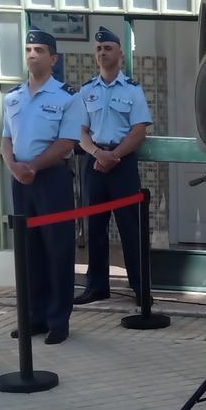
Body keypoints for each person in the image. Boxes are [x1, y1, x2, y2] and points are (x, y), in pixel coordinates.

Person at [1, 27, 84, 345]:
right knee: (28, 251)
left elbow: (67, 142)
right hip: (21, 181)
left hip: (51, 180)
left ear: (53, 58)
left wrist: (33, 166)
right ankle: (33, 316)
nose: (32, 55)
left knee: (58, 249)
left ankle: (58, 319)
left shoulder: (67, 97)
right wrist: (13, 166)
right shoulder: (13, 98)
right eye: (28, 50)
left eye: (39, 50)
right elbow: (6, 139)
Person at [74, 25, 152, 305]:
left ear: (120, 52)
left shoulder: (132, 90)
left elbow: (139, 131)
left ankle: (141, 289)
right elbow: (80, 132)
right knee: (95, 227)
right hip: (94, 164)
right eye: (98, 49)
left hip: (122, 164)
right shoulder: (86, 91)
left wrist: (114, 155)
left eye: (108, 47)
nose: (102, 52)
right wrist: (98, 153)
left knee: (131, 228)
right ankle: (96, 287)